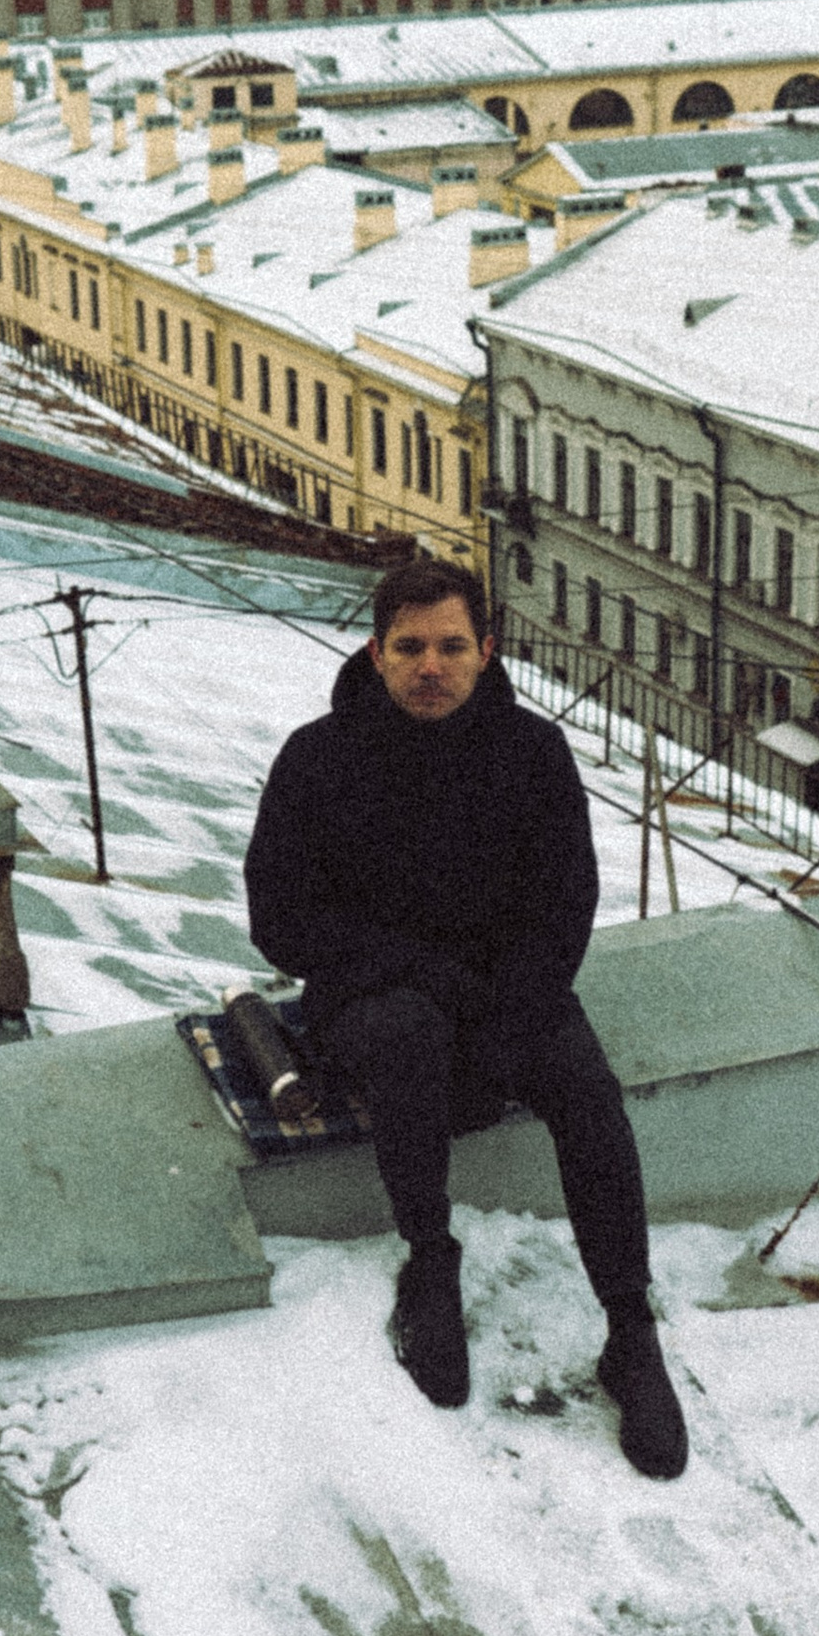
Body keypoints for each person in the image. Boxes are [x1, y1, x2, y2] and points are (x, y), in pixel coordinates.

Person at [244, 554, 687, 1479]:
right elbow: (280, 918)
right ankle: (430, 1263)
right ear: (375, 650)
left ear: (487, 651)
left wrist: (505, 1007)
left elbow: (567, 902)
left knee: (584, 1085)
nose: (430, 667)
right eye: (409, 647)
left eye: (451, 646)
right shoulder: (317, 758)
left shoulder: (531, 753)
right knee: (406, 1036)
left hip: (506, 993)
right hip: (372, 997)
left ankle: (629, 1329)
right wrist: (414, 975)